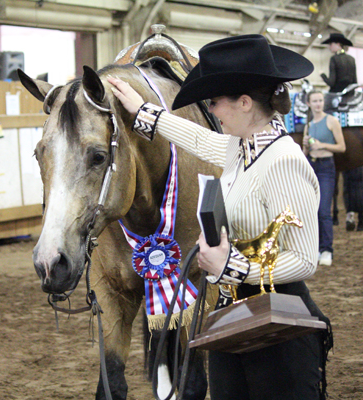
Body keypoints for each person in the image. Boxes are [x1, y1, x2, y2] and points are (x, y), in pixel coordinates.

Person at [109, 35, 332, 400]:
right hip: (236, 309)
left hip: (279, 321)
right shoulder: (239, 148)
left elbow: (305, 260)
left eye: (214, 102)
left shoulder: (284, 161)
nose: (210, 110)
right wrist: (141, 109)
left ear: (244, 103)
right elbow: (194, 138)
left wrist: (236, 268)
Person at [321, 32, 363, 232]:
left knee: (324, 118)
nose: (329, 47)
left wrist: (323, 77)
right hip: (352, 95)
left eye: (330, 44)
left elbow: (332, 83)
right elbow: (355, 81)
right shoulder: (351, 58)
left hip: (336, 96)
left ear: (336, 44)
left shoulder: (334, 59)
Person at [303, 90, 346, 266]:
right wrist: (305, 147)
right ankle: (316, 248)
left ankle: (327, 249)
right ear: (309, 104)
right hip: (312, 167)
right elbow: (305, 154)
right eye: (315, 101)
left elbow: (342, 147)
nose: (318, 104)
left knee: (324, 210)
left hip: (327, 167)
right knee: (311, 211)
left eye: (320, 100)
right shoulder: (308, 125)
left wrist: (322, 145)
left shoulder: (331, 121)